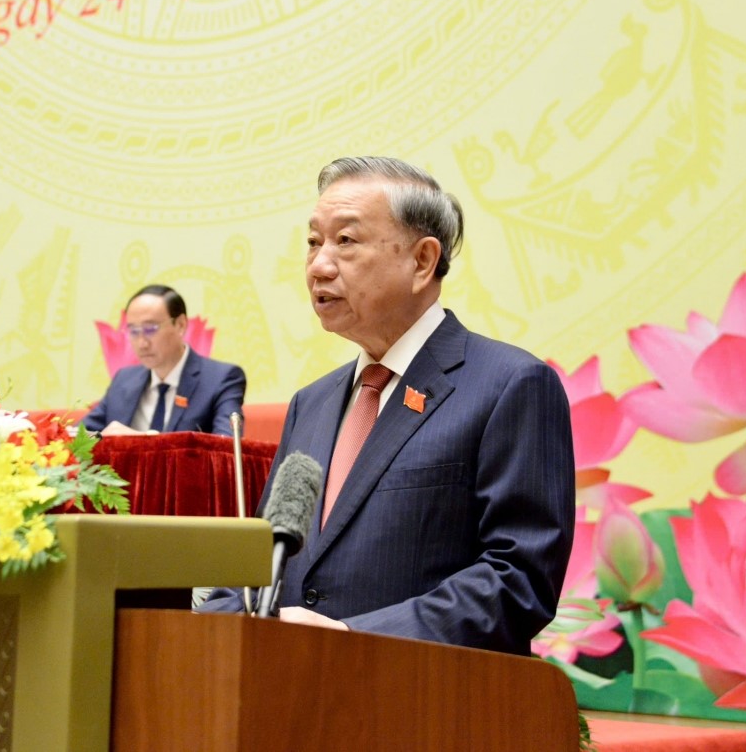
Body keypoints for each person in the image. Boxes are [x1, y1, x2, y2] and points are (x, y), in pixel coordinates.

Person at [198, 156, 575, 655]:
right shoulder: (311, 404)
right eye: (313, 242)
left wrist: (352, 640)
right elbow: (263, 563)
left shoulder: (510, 384)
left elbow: (518, 580)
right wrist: (214, 622)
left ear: (422, 261)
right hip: (290, 689)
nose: (319, 265)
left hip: (422, 694)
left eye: (345, 241)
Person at [82, 285, 247, 437]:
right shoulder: (124, 380)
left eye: (150, 329)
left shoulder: (221, 379)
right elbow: (79, 436)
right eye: (133, 330)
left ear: (180, 325)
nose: (142, 343)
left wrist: (143, 441)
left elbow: (226, 447)